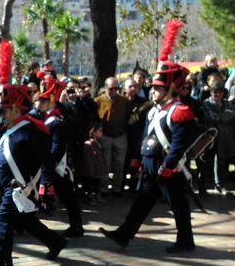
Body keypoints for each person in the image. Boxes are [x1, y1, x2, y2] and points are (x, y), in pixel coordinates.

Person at [99, 23, 196, 253]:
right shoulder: (153, 110)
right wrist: (138, 158)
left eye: (158, 89)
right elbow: (146, 138)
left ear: (170, 90)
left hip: (168, 167)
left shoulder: (179, 111)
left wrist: (169, 166)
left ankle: (185, 241)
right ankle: (123, 235)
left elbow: (179, 143)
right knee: (142, 202)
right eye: (153, 88)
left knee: (178, 205)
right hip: (151, 164)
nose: (153, 91)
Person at [0, 41, 67, 266]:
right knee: (25, 220)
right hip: (8, 183)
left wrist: (45, 187)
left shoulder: (31, 131)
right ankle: (56, 241)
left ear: (17, 108)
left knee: (4, 219)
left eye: (6, 108)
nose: (2, 110)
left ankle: (2, 258)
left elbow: (47, 160)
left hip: (19, 185)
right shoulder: (9, 128)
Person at [31, 76, 83, 238]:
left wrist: (48, 165)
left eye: (43, 100)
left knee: (68, 197)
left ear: (51, 101)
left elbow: (58, 147)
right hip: (44, 163)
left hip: (55, 165)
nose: (39, 104)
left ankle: (77, 227)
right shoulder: (44, 118)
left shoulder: (57, 121)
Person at [95, 77, 130, 196]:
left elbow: (129, 117)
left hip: (121, 136)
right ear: (105, 88)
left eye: (117, 88)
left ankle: (116, 188)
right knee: (105, 163)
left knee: (119, 164)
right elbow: (95, 120)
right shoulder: (98, 101)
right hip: (105, 136)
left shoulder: (124, 100)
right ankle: (104, 188)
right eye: (111, 88)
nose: (114, 91)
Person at [82, 124, 107, 205]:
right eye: (99, 131)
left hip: (99, 169)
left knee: (97, 184)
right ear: (94, 132)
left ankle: (97, 196)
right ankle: (90, 197)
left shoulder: (99, 144)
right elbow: (88, 158)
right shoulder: (88, 144)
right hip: (92, 170)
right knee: (90, 185)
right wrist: (90, 169)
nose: (101, 133)